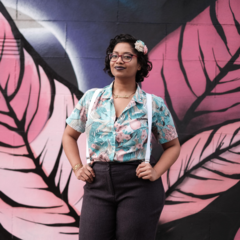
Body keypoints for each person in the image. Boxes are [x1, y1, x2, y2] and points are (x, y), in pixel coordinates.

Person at [62, 33, 180, 240]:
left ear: (140, 64)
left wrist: (156, 171)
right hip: (97, 183)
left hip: (139, 186)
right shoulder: (92, 99)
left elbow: (173, 146)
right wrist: (78, 168)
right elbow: (69, 136)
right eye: (114, 55)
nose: (119, 60)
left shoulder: (153, 104)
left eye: (127, 56)